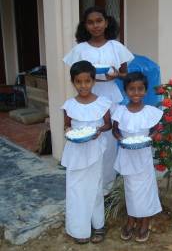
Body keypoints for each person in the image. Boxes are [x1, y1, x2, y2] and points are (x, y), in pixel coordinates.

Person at [63, 6, 134, 195]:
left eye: (99, 21)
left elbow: (126, 75)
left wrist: (117, 75)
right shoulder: (79, 49)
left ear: (106, 22)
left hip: (109, 97)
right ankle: (89, 185)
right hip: (86, 100)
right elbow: (77, 75)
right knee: (88, 138)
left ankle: (107, 188)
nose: (95, 26)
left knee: (109, 142)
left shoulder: (116, 47)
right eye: (90, 22)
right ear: (85, 26)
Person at [61, 61, 112, 244]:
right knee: (75, 189)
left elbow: (108, 125)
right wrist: (68, 131)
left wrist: (98, 130)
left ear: (93, 81)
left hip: (94, 150)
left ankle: (98, 225)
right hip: (75, 151)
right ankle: (79, 229)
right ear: (73, 82)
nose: (83, 86)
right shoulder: (69, 105)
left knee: (94, 187)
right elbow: (66, 125)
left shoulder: (102, 103)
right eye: (78, 82)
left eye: (87, 81)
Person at [112, 72, 163, 243]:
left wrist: (152, 136)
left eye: (140, 89)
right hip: (127, 154)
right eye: (132, 89)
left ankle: (145, 220)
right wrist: (121, 140)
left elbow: (156, 128)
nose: (136, 93)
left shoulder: (150, 112)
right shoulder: (120, 111)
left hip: (143, 155)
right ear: (126, 90)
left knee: (146, 187)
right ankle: (131, 218)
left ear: (146, 91)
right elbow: (115, 130)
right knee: (131, 189)